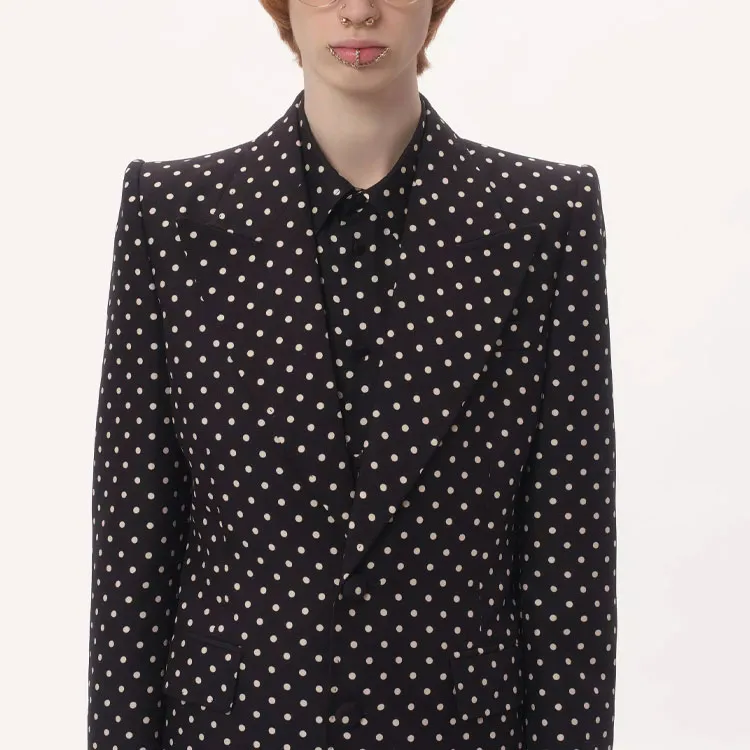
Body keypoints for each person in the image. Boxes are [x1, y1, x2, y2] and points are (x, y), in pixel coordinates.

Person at [86, 1, 618, 748]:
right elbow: (134, 540)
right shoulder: (174, 218)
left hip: (456, 726)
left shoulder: (539, 221)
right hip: (235, 725)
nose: (360, 11)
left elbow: (569, 546)